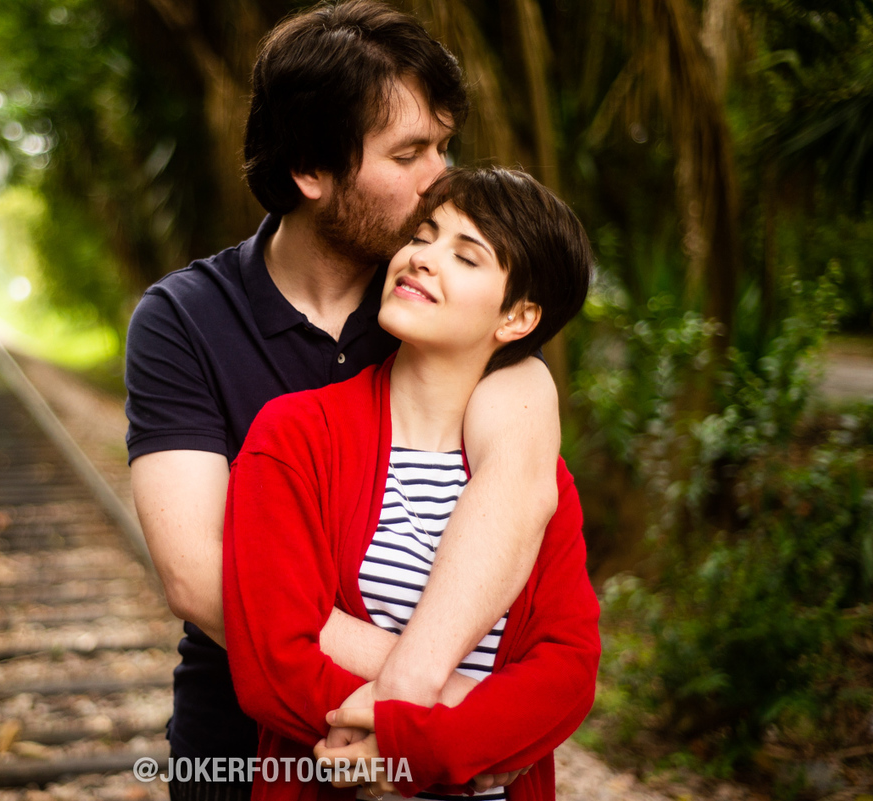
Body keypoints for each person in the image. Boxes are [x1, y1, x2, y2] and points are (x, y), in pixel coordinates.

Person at [125, 3, 562, 799]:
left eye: (444, 146)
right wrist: (451, 702)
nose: (440, 177)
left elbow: (521, 490)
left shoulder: (436, 311)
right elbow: (197, 576)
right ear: (311, 171)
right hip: (244, 749)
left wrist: (429, 722)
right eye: (410, 153)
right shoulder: (184, 318)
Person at [222, 166, 601, 801]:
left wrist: (421, 747)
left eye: (465, 255)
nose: (422, 258)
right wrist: (462, 733)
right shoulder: (295, 437)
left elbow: (567, 669)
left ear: (518, 317)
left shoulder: (537, 477)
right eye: (422, 236)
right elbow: (274, 660)